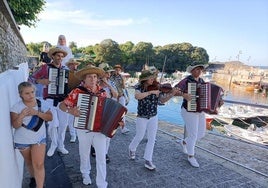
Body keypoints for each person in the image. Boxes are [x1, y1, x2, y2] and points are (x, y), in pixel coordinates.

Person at [59, 65, 108, 187]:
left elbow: (108, 110)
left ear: (97, 79)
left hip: (100, 130)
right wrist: (71, 111)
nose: (92, 79)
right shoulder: (77, 92)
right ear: (84, 79)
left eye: (95, 76)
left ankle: (102, 183)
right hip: (83, 128)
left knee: (101, 157)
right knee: (84, 153)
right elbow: (62, 105)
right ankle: (85, 173)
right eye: (89, 77)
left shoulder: (103, 93)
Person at [128, 70, 180, 170]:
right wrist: (151, 92)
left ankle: (148, 160)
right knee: (139, 135)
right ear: (145, 80)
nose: (153, 80)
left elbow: (162, 100)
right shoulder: (139, 87)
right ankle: (131, 148)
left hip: (153, 116)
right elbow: (137, 96)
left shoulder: (158, 87)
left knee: (152, 139)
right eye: (151, 78)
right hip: (142, 116)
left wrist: (172, 94)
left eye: (153, 78)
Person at [29, 47, 70, 157]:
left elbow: (70, 84)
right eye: (58, 56)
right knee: (53, 124)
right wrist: (40, 81)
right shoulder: (45, 68)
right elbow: (31, 79)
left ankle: (61, 145)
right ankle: (53, 145)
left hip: (62, 101)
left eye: (62, 56)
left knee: (63, 125)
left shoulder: (66, 69)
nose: (60, 58)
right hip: (49, 100)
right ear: (53, 56)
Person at [10, 82, 52, 188]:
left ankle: (40, 186)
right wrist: (21, 115)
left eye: (32, 92)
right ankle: (34, 178)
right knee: (29, 162)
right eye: (27, 93)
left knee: (38, 164)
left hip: (39, 138)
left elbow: (49, 118)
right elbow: (15, 125)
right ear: (21, 95)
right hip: (22, 140)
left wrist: (37, 113)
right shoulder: (16, 107)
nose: (31, 95)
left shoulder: (41, 103)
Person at [175, 63, 209, 168]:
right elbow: (174, 90)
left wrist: (218, 101)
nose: (199, 71)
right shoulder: (186, 81)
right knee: (193, 135)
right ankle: (191, 156)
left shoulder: (202, 81)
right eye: (197, 69)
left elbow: (207, 95)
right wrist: (183, 94)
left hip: (200, 111)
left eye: (200, 70)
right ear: (192, 71)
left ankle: (184, 142)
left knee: (201, 134)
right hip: (188, 110)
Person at [110, 64, 129, 133]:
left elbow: (124, 87)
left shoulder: (121, 77)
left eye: (119, 70)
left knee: (122, 112)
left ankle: (123, 128)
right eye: (116, 69)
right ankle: (111, 127)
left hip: (121, 96)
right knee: (113, 112)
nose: (117, 71)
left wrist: (123, 81)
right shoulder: (110, 77)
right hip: (113, 97)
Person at [65, 58, 81, 143]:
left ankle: (77, 133)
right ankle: (73, 135)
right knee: (70, 118)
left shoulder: (80, 74)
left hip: (79, 97)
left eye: (75, 64)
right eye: (72, 64)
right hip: (69, 97)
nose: (74, 66)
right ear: (69, 66)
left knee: (78, 116)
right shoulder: (66, 73)